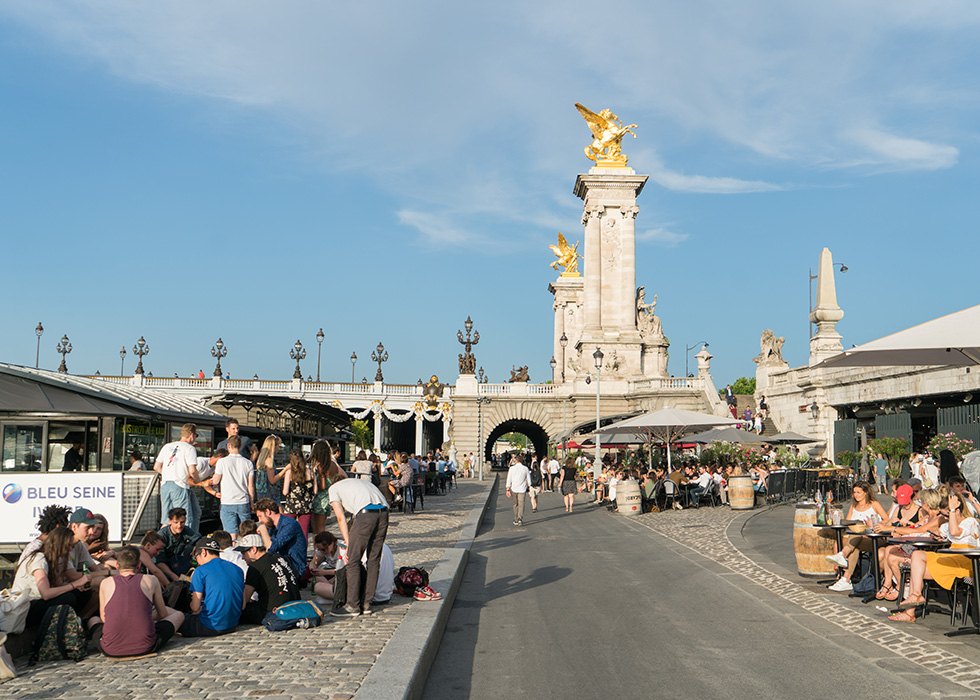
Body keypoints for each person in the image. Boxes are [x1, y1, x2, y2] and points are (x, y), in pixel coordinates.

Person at [893, 490, 979, 620]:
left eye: (947, 514)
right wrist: (937, 535)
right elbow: (940, 531)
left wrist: (952, 510)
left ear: (957, 510)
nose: (946, 517)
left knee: (917, 570)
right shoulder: (949, 523)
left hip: (966, 561)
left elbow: (955, 532)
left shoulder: (970, 522)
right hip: (950, 558)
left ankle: (910, 612)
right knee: (917, 558)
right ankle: (915, 597)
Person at [87, 546, 184, 657]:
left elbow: (104, 618)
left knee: (94, 619)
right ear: (139, 565)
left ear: (117, 566)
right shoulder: (151, 580)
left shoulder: (105, 582)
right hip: (146, 645)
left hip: (110, 649)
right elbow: (163, 614)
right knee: (179, 615)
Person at [327, 475, 389, 618]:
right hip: (384, 511)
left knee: (353, 560)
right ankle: (367, 603)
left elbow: (341, 518)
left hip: (366, 513)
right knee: (374, 560)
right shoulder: (357, 483)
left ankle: (353, 605)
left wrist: (348, 542)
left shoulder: (333, 489)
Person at [11, 526, 91, 626]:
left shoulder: (54, 560)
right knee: (68, 598)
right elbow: (46, 594)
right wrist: (75, 584)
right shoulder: (39, 559)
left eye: (72, 546)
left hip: (39, 602)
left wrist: (78, 586)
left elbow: (59, 585)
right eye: (68, 546)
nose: (70, 549)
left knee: (82, 593)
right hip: (26, 606)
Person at [826, 482, 890, 592]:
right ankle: (846, 579)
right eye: (854, 492)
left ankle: (843, 559)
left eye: (859, 493)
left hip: (875, 538)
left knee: (854, 538)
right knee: (855, 540)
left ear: (865, 493)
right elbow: (848, 521)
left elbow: (887, 519)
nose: (856, 495)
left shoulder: (874, 504)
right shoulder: (854, 506)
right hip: (858, 538)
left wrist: (874, 524)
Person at [179, 537, 244, 637]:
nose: (197, 562)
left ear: (203, 552)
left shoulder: (200, 571)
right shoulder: (237, 569)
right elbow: (241, 603)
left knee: (175, 617)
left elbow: (195, 607)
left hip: (210, 626)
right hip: (232, 624)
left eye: (196, 557)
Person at [235, 534, 301, 624]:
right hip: (295, 606)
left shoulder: (256, 566)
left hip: (272, 612)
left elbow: (244, 602)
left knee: (237, 611)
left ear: (253, 549)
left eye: (244, 553)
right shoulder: (280, 558)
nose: (242, 557)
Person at [153, 423, 202, 530]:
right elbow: (192, 470)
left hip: (165, 484)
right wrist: (198, 481)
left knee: (167, 519)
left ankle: (160, 541)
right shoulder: (189, 448)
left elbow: (156, 467)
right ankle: (187, 542)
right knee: (183, 518)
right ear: (192, 435)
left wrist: (168, 473)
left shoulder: (167, 446)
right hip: (180, 485)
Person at [254, 498, 308, 579]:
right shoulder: (273, 528)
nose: (260, 520)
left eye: (260, 516)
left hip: (295, 568)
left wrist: (263, 530)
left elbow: (271, 548)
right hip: (282, 564)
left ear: (268, 511)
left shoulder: (289, 524)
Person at [213, 435, 256, 534]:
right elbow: (251, 486)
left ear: (228, 446)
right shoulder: (248, 463)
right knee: (247, 533)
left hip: (227, 501)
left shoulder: (222, 462)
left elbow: (215, 481)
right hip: (243, 501)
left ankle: (232, 548)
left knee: (231, 533)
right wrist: (252, 502)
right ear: (240, 446)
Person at [153, 507, 200, 581]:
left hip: (177, 560)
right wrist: (174, 576)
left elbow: (199, 540)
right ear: (169, 521)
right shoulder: (162, 535)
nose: (179, 526)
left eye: (182, 522)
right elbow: (159, 562)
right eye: (176, 522)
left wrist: (196, 548)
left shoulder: (186, 530)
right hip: (163, 565)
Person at [282, 447, 316, 538]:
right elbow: (315, 491)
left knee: (288, 531)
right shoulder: (310, 472)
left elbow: (285, 492)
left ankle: (289, 550)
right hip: (306, 506)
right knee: (303, 532)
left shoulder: (289, 472)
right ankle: (302, 550)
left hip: (291, 506)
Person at [254, 434, 286, 504]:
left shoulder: (262, 459)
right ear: (273, 447)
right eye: (278, 445)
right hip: (271, 495)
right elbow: (272, 480)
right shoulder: (269, 460)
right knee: (279, 513)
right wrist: (285, 469)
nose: (279, 447)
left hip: (262, 494)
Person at [505, 455, 531, 526]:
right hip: (522, 489)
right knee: (521, 504)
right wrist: (528, 486)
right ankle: (520, 518)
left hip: (514, 488)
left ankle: (516, 518)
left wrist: (508, 489)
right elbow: (529, 480)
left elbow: (509, 479)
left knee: (515, 504)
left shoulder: (512, 468)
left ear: (515, 461)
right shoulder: (526, 469)